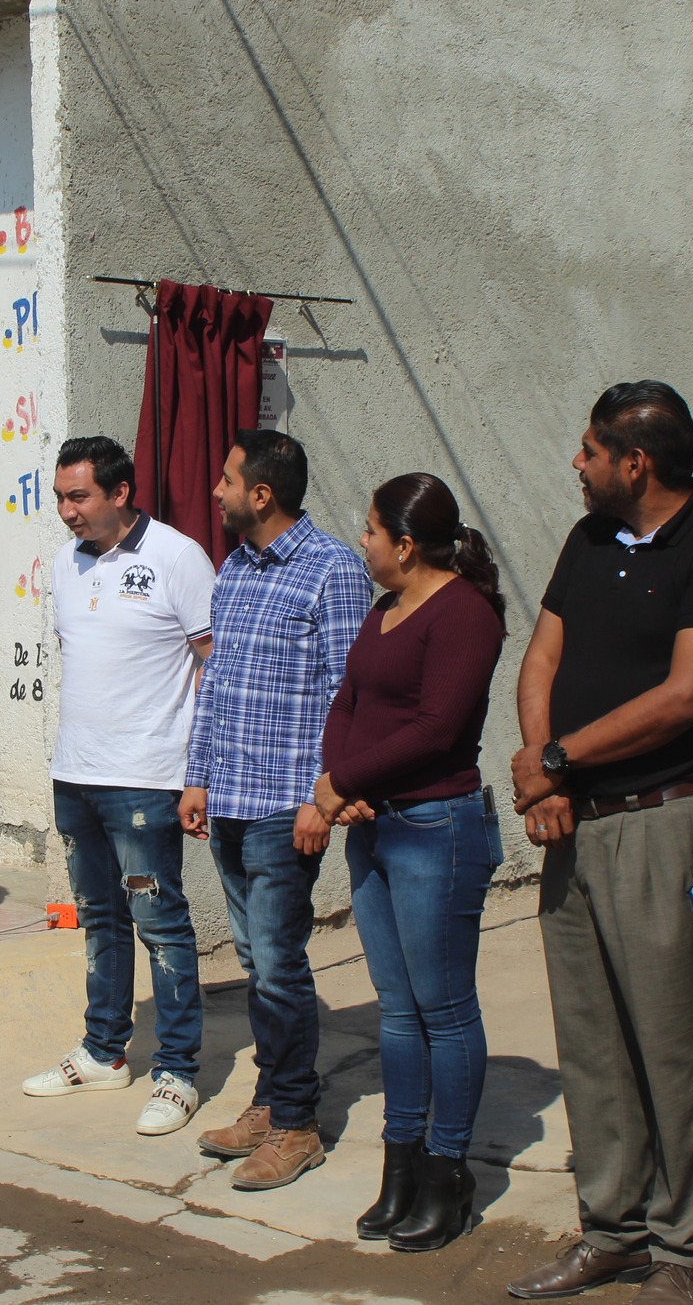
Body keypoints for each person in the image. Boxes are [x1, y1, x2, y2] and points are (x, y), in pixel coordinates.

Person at [506, 381, 693, 1305]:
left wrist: (556, 759)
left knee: (668, 1042)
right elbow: (540, 658)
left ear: (636, 462)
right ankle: (610, 1229)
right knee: (590, 1040)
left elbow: (688, 697)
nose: (575, 465)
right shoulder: (588, 542)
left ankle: (685, 1248)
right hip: (574, 824)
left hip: (664, 823)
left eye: (588, 451)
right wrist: (548, 778)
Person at [310, 473, 507, 1251]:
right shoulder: (383, 611)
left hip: (436, 827)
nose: (360, 542)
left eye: (368, 530)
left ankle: (446, 1170)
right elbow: (347, 702)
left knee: (444, 1006)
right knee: (397, 1007)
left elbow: (435, 729)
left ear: (405, 542)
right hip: (375, 826)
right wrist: (340, 786)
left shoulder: (466, 613)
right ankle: (399, 1165)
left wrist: (345, 784)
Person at [182, 430, 373, 1190]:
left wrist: (322, 797)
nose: (219, 489)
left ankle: (297, 1123)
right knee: (259, 963)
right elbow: (217, 680)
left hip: (284, 804)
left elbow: (347, 697)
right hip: (228, 795)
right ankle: (269, 1099)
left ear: (262, 494)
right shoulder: (234, 568)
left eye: (230, 479)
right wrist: (196, 777)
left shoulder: (332, 572)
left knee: (280, 967)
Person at [20, 436, 216, 1137]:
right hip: (77, 775)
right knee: (99, 919)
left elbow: (211, 665)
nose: (67, 511)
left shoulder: (177, 556)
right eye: (61, 497)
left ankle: (178, 1070)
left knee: (159, 923)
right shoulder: (67, 562)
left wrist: (200, 771)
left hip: (146, 779)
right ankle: (104, 1051)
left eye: (80, 497)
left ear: (121, 492)